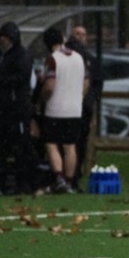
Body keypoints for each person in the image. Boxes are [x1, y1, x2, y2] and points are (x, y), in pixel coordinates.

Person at [0, 22, 37, 195]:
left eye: (5, 37)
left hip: (18, 110)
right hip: (1, 111)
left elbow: (23, 78)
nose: (2, 41)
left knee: (21, 146)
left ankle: (24, 183)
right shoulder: (0, 57)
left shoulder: (22, 55)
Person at [38, 27, 88, 194]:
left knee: (51, 143)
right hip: (74, 108)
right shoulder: (79, 58)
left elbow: (50, 86)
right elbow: (86, 82)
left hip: (56, 108)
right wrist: (77, 96)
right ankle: (69, 181)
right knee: (70, 145)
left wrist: (43, 96)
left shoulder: (53, 59)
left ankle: (58, 178)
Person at [66, 24, 103, 187]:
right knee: (68, 142)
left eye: (83, 34)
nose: (80, 37)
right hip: (66, 107)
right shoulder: (65, 57)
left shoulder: (91, 60)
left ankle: (75, 176)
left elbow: (96, 85)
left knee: (79, 142)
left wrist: (89, 104)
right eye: (77, 34)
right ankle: (66, 176)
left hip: (83, 108)